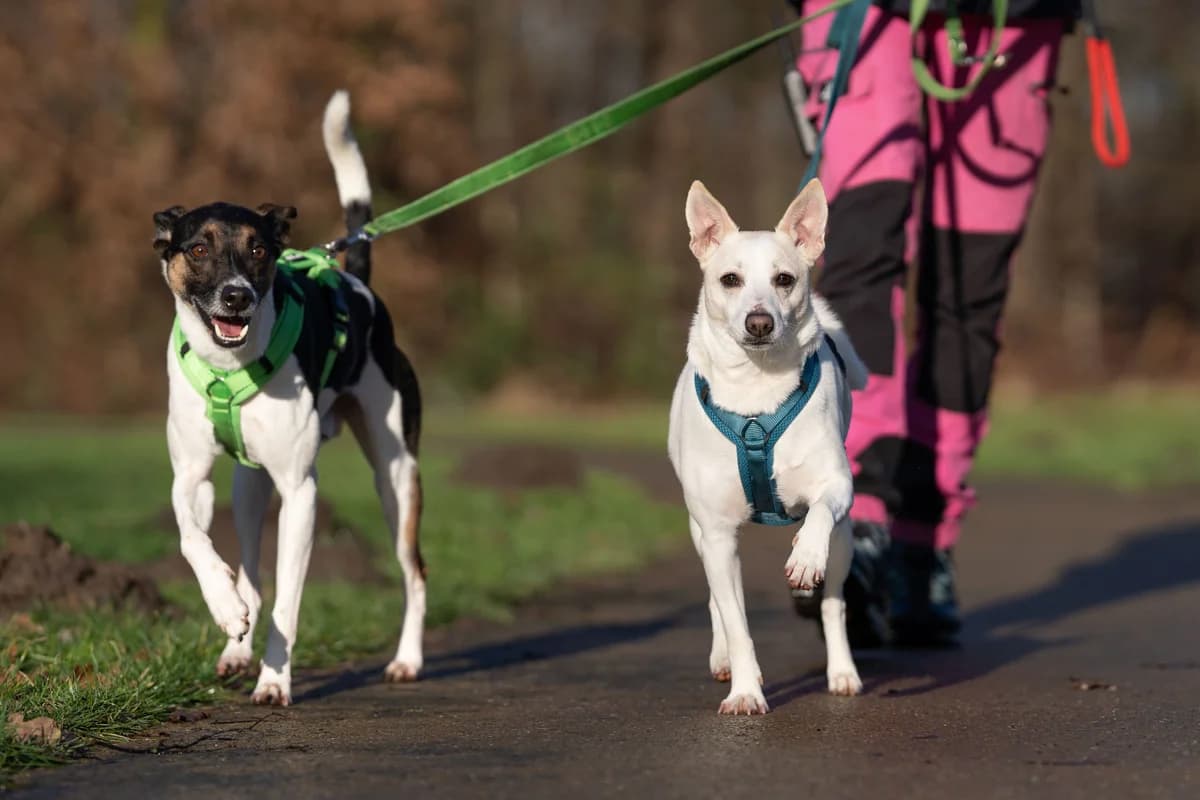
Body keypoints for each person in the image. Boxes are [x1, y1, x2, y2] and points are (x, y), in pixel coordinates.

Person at [787, 0, 1082, 646]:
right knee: (860, 256)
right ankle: (854, 513)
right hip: (865, 14)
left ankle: (923, 539)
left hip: (1015, 23)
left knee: (971, 290)